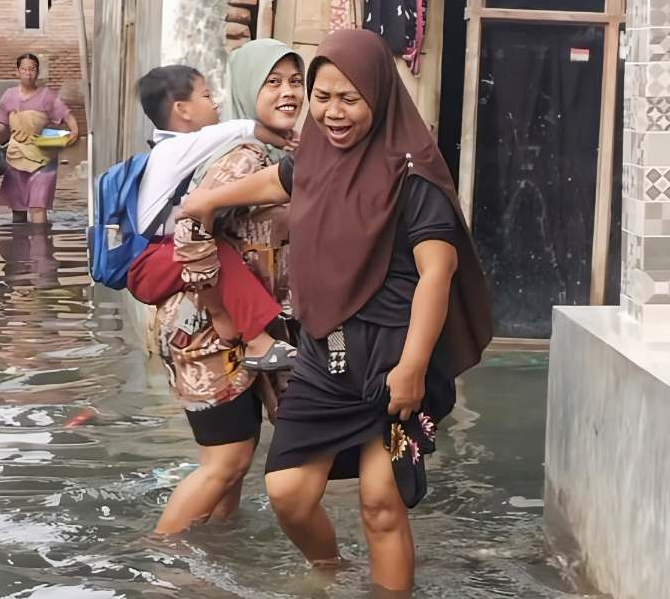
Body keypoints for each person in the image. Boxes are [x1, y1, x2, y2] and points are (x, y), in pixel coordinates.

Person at [179, 29, 493, 593]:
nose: (332, 112)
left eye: (349, 99)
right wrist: (208, 199)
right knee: (288, 492)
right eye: (322, 97)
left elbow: (437, 274)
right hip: (327, 356)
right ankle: (332, 575)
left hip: (395, 359)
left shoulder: (413, 175)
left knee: (380, 502)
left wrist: (415, 366)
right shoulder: (319, 159)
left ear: (379, 93)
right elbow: (281, 180)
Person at [130, 40, 307, 535]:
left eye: (295, 81)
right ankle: (159, 559)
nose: (288, 92)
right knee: (225, 462)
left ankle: (212, 556)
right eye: (273, 82)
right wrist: (223, 312)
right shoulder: (242, 158)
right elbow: (189, 227)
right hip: (208, 331)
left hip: (234, 327)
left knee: (235, 459)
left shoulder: (279, 152)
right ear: (250, 90)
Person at [127, 64, 298, 371]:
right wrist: (283, 139)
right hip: (155, 260)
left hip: (160, 259)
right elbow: (240, 128)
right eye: (206, 95)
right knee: (217, 252)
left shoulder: (174, 151)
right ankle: (257, 341)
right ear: (182, 109)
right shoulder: (177, 148)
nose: (216, 102)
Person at [0, 53, 81, 225]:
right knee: (17, 210)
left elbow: (67, 115)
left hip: (43, 158)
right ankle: (18, 248)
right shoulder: (9, 96)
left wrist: (74, 132)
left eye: (32, 69)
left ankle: (41, 248)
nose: (28, 73)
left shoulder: (47, 96)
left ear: (37, 72)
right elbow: (1, 122)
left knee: (38, 207)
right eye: (24, 69)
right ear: (17, 71)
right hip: (16, 156)